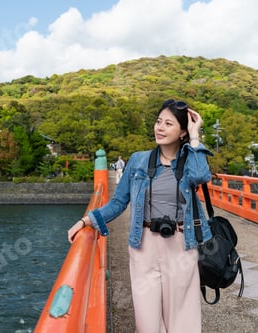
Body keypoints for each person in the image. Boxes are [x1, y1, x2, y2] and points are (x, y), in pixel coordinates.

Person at [68, 99, 213, 333]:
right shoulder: (138, 160)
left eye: (168, 123)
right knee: (147, 323)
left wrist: (195, 136)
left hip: (180, 245)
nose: (160, 128)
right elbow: (118, 202)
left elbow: (200, 176)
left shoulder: (190, 160)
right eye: (158, 122)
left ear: (182, 131)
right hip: (143, 245)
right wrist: (87, 221)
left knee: (182, 322)